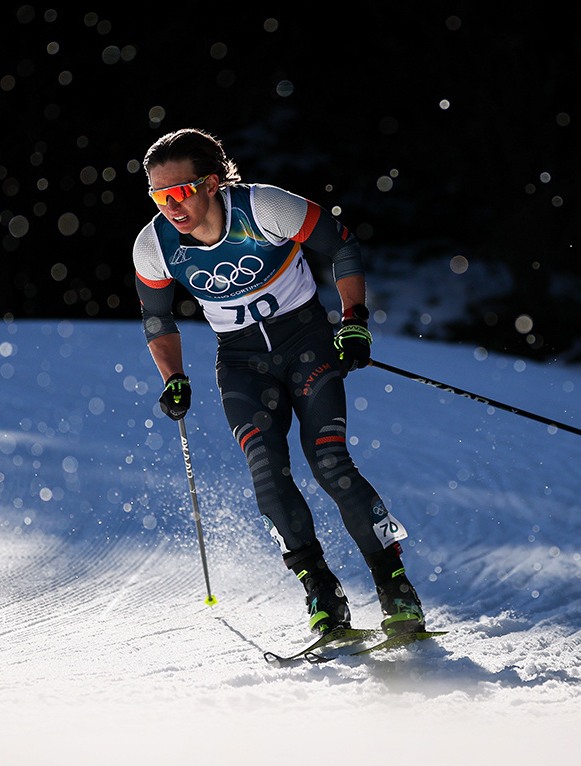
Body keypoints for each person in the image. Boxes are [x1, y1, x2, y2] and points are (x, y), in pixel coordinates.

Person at [131, 128, 427, 636]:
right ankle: (321, 592)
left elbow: (343, 248)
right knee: (267, 476)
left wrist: (353, 319)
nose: (170, 207)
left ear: (212, 183)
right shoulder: (153, 245)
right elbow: (158, 319)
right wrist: (174, 378)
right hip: (242, 363)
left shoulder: (264, 208)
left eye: (179, 192)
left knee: (330, 461)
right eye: (159, 195)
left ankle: (393, 584)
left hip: (306, 345)